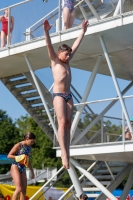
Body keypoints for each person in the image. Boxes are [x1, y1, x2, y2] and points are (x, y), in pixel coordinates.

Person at [44, 19, 89, 169]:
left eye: (70, 55)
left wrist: (82, 31)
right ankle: (63, 153)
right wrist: (46, 31)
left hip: (69, 96)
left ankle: (67, 153)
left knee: (69, 125)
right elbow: (49, 45)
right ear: (59, 53)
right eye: (66, 54)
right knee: (62, 123)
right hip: (58, 96)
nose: (69, 57)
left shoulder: (67, 62)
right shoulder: (55, 60)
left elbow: (76, 45)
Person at [8, 132, 36, 200]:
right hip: (16, 166)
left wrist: (32, 172)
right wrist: (18, 157)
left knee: (23, 190)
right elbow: (9, 155)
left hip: (23, 168)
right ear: (27, 139)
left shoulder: (29, 148)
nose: (32, 143)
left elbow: (28, 161)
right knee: (19, 188)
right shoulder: (18, 145)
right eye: (31, 141)